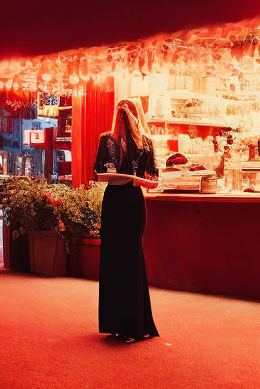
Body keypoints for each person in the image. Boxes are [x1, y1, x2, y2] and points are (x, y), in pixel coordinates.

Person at [95, 98, 159, 343]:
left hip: (132, 201)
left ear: (136, 113)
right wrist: (107, 174)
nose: (123, 113)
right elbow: (97, 169)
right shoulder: (106, 140)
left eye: (129, 109)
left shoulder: (145, 143)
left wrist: (140, 181)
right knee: (111, 259)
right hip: (112, 200)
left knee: (131, 260)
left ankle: (135, 325)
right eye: (120, 108)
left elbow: (154, 178)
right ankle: (113, 323)